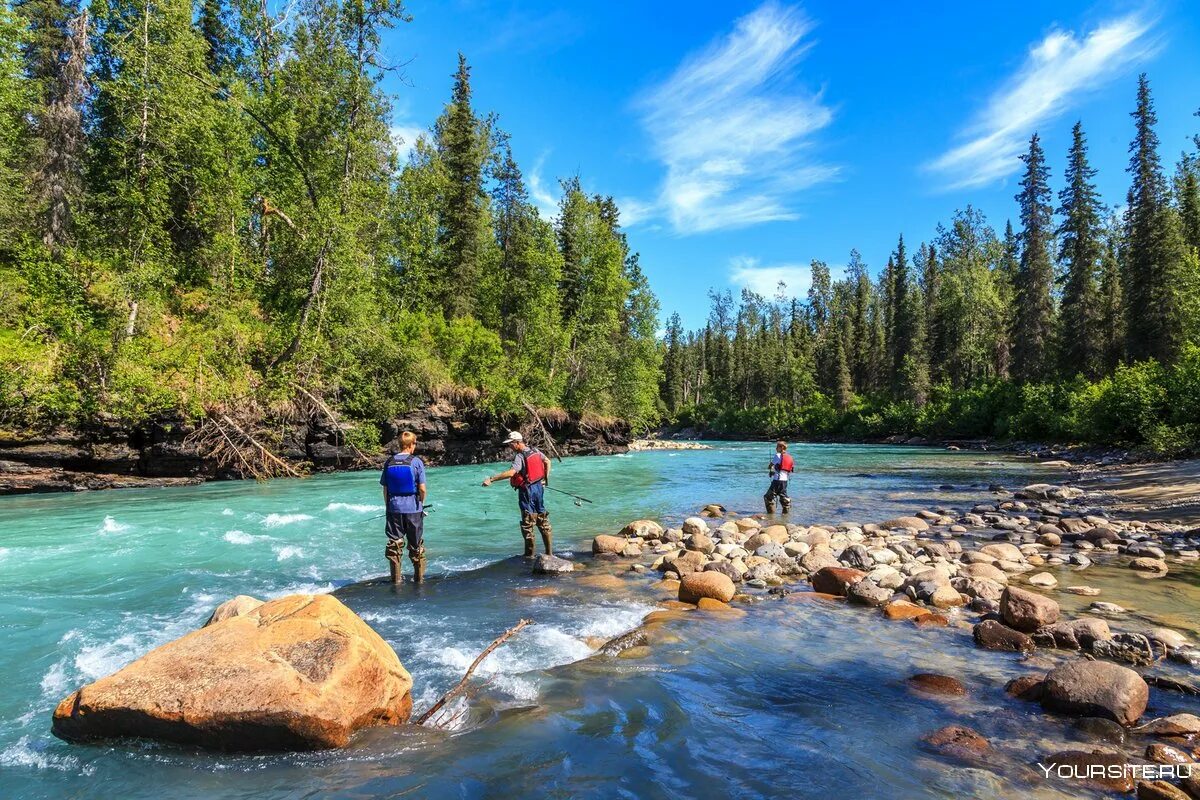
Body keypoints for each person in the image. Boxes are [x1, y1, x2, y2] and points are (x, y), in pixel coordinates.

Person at [481, 431, 553, 557]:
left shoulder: (520, 456)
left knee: (527, 523)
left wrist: (491, 479)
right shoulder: (535, 451)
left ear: (518, 442)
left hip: (527, 491)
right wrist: (545, 480)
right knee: (542, 519)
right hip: (539, 489)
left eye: (511, 444)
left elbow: (511, 473)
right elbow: (547, 461)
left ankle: (529, 556)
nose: (510, 446)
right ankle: (549, 554)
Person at [380, 430, 427, 584]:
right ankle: (419, 580)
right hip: (413, 508)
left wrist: (389, 506)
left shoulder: (389, 462)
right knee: (416, 546)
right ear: (410, 444)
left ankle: (396, 581)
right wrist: (420, 503)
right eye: (415, 444)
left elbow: (385, 489)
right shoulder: (416, 462)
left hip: (394, 508)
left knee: (394, 545)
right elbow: (422, 489)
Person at [763, 440, 793, 514]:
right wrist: (774, 472)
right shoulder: (789, 457)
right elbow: (783, 470)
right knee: (783, 497)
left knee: (768, 497)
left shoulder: (778, 455)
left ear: (782, 447)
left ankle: (771, 515)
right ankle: (785, 515)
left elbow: (770, 466)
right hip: (785, 480)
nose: (776, 449)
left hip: (777, 480)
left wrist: (771, 470)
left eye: (777, 447)